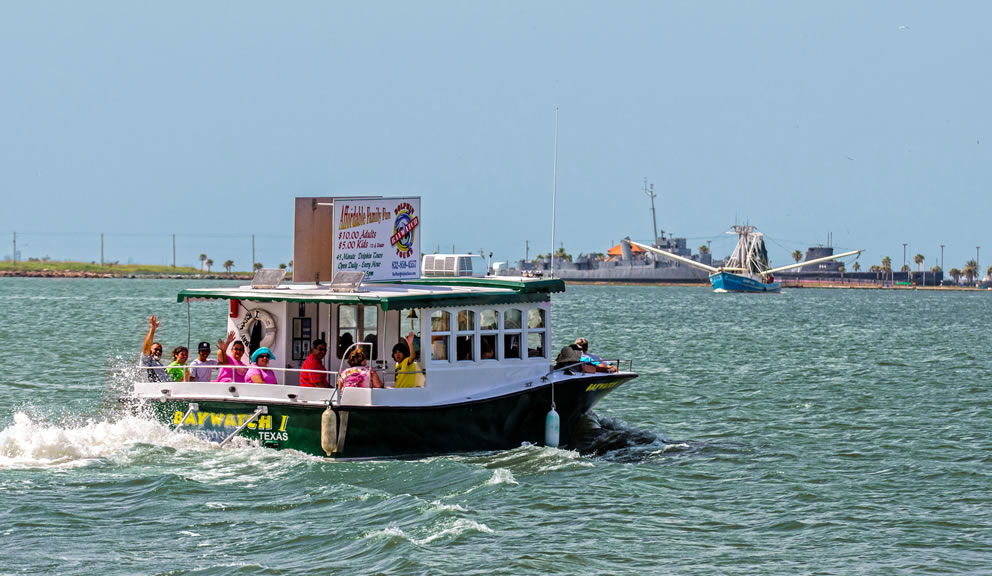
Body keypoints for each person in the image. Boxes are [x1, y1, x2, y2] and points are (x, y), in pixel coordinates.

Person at [140, 315, 168, 382]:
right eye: (155, 349)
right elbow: (146, 347)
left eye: (160, 350)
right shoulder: (146, 361)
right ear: (150, 351)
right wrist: (152, 329)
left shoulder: (162, 366)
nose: (158, 352)